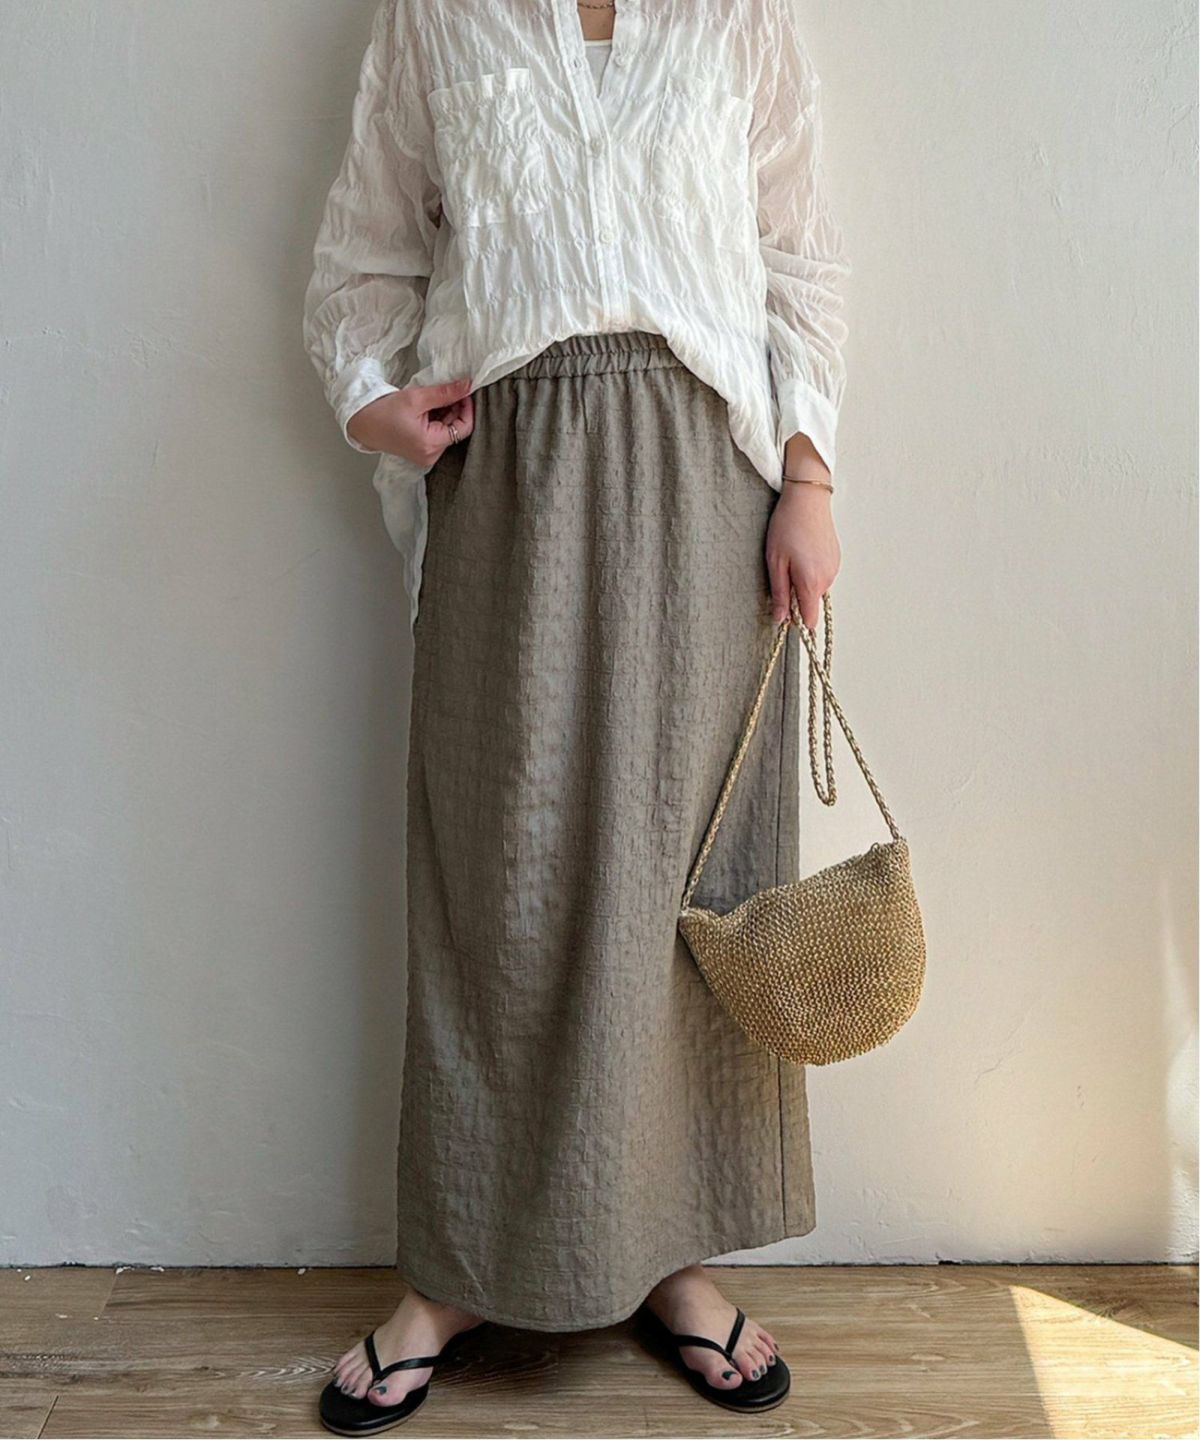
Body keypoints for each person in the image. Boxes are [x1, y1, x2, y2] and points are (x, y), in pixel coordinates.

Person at [302, 0, 849, 1430]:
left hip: (708, 488)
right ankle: (460, 1267)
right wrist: (372, 405)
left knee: (685, 883)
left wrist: (807, 478)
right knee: (502, 879)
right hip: (511, 479)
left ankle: (669, 1251)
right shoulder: (436, 16)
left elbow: (799, 255)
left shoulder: (737, 14)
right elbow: (364, 258)